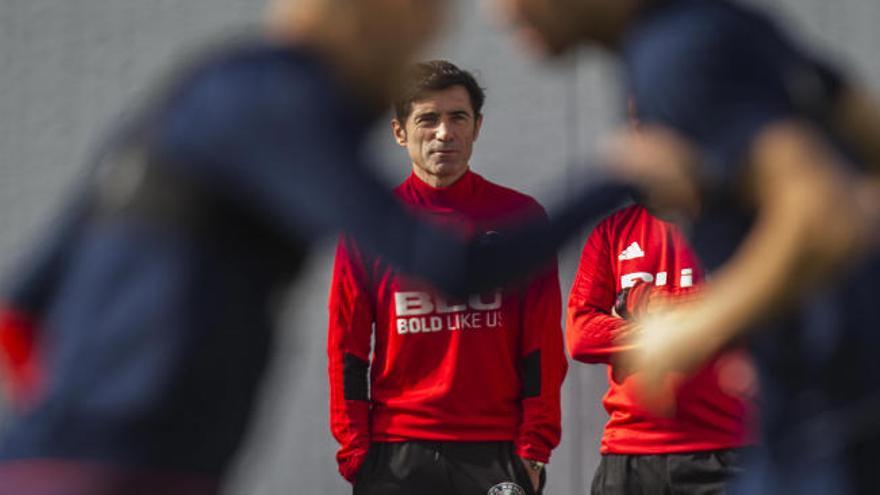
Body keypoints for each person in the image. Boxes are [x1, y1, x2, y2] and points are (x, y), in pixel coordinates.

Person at [0, 0, 633, 493]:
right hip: (121, 473)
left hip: (79, 467)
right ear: (380, 18)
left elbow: (19, 313)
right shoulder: (286, 100)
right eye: (419, 33)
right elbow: (451, 267)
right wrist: (625, 173)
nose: (413, 56)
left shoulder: (200, 96)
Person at [494, 0, 880, 492]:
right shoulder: (720, 23)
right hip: (831, 408)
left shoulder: (672, 59)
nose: (498, 12)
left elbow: (824, 213)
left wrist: (696, 328)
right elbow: (862, 144)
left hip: (822, 419)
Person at [328, 60, 565, 495]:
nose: (443, 133)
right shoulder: (372, 225)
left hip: (496, 449)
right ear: (400, 131)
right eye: (427, 119)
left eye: (458, 117)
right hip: (395, 452)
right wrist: (356, 453)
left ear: (477, 127)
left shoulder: (520, 218)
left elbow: (543, 344)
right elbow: (348, 348)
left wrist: (535, 445)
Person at [567, 200, 755, 494]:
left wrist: (641, 301)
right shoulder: (613, 230)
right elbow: (582, 335)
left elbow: (751, 314)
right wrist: (692, 326)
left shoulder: (741, 229)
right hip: (629, 454)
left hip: (723, 453)